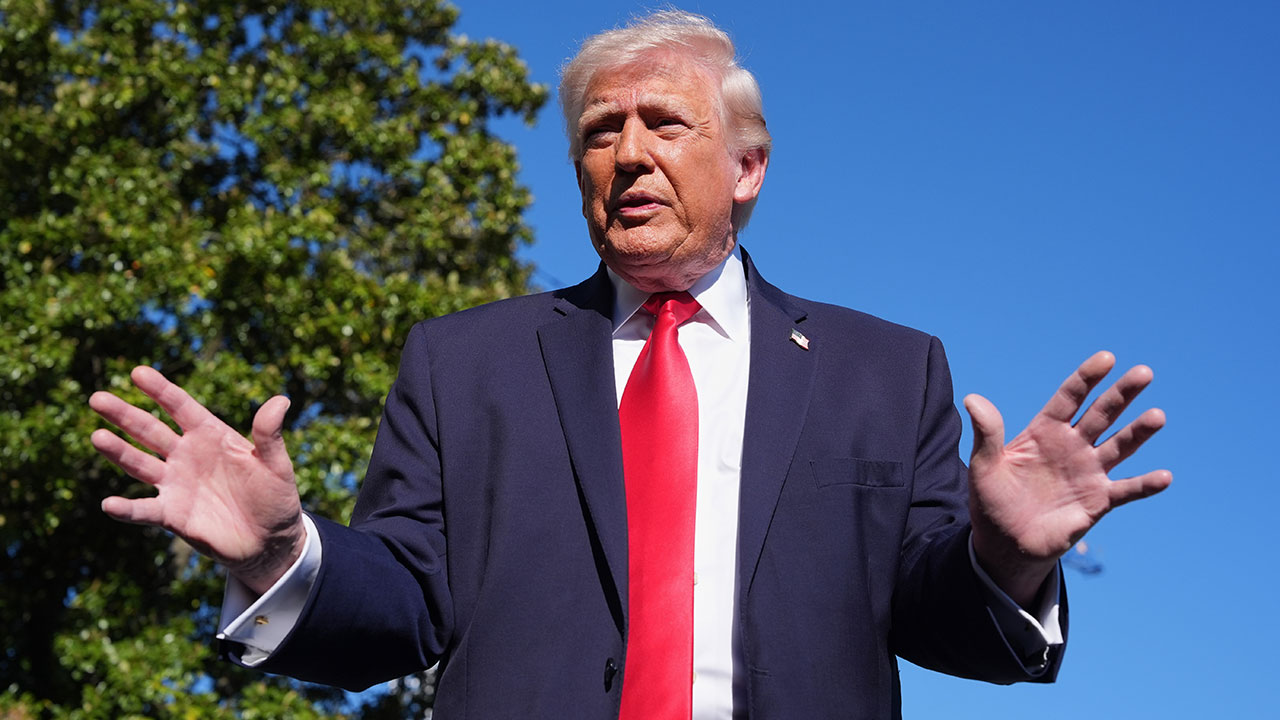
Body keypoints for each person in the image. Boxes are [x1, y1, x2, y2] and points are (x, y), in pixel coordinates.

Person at [89, 11, 1171, 719]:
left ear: (746, 166)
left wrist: (1004, 557)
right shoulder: (464, 365)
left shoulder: (884, 372)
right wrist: (286, 553)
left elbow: (940, 621)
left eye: (664, 123)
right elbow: (405, 608)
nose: (629, 154)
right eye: (599, 133)